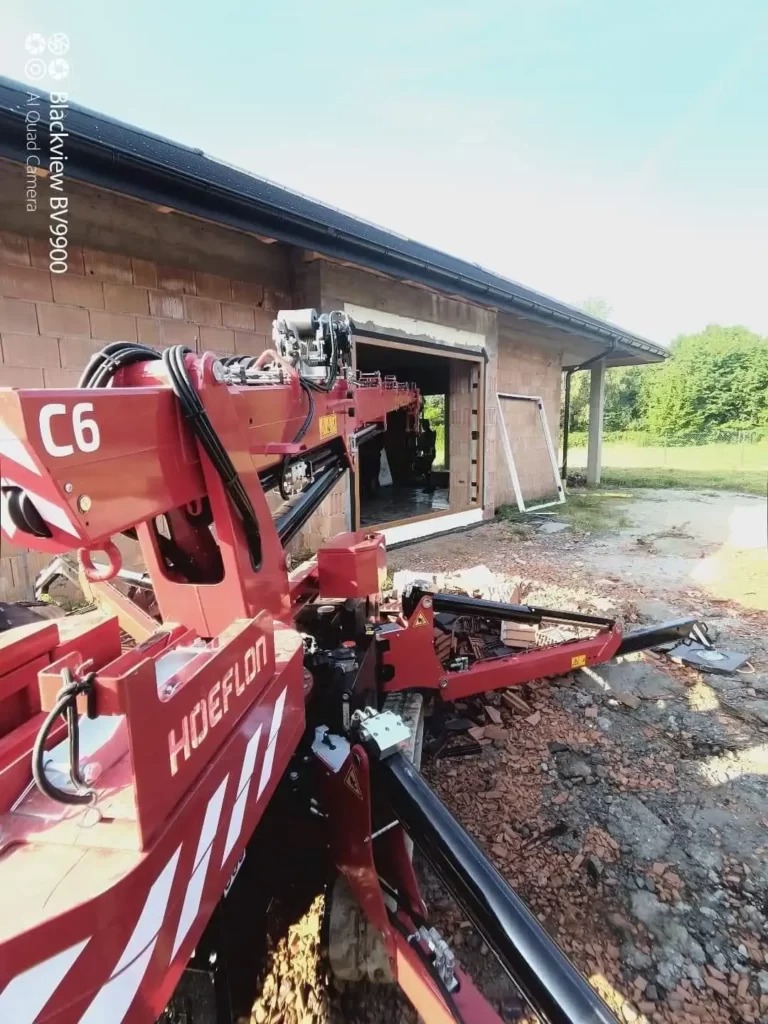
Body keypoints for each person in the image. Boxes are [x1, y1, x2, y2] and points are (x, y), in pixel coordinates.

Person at [415, 418, 437, 493]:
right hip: (430, 454)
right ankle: (429, 485)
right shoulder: (431, 434)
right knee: (427, 470)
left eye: (423, 425)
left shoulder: (427, 435)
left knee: (426, 470)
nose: (423, 427)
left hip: (428, 454)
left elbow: (422, 446)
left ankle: (429, 486)